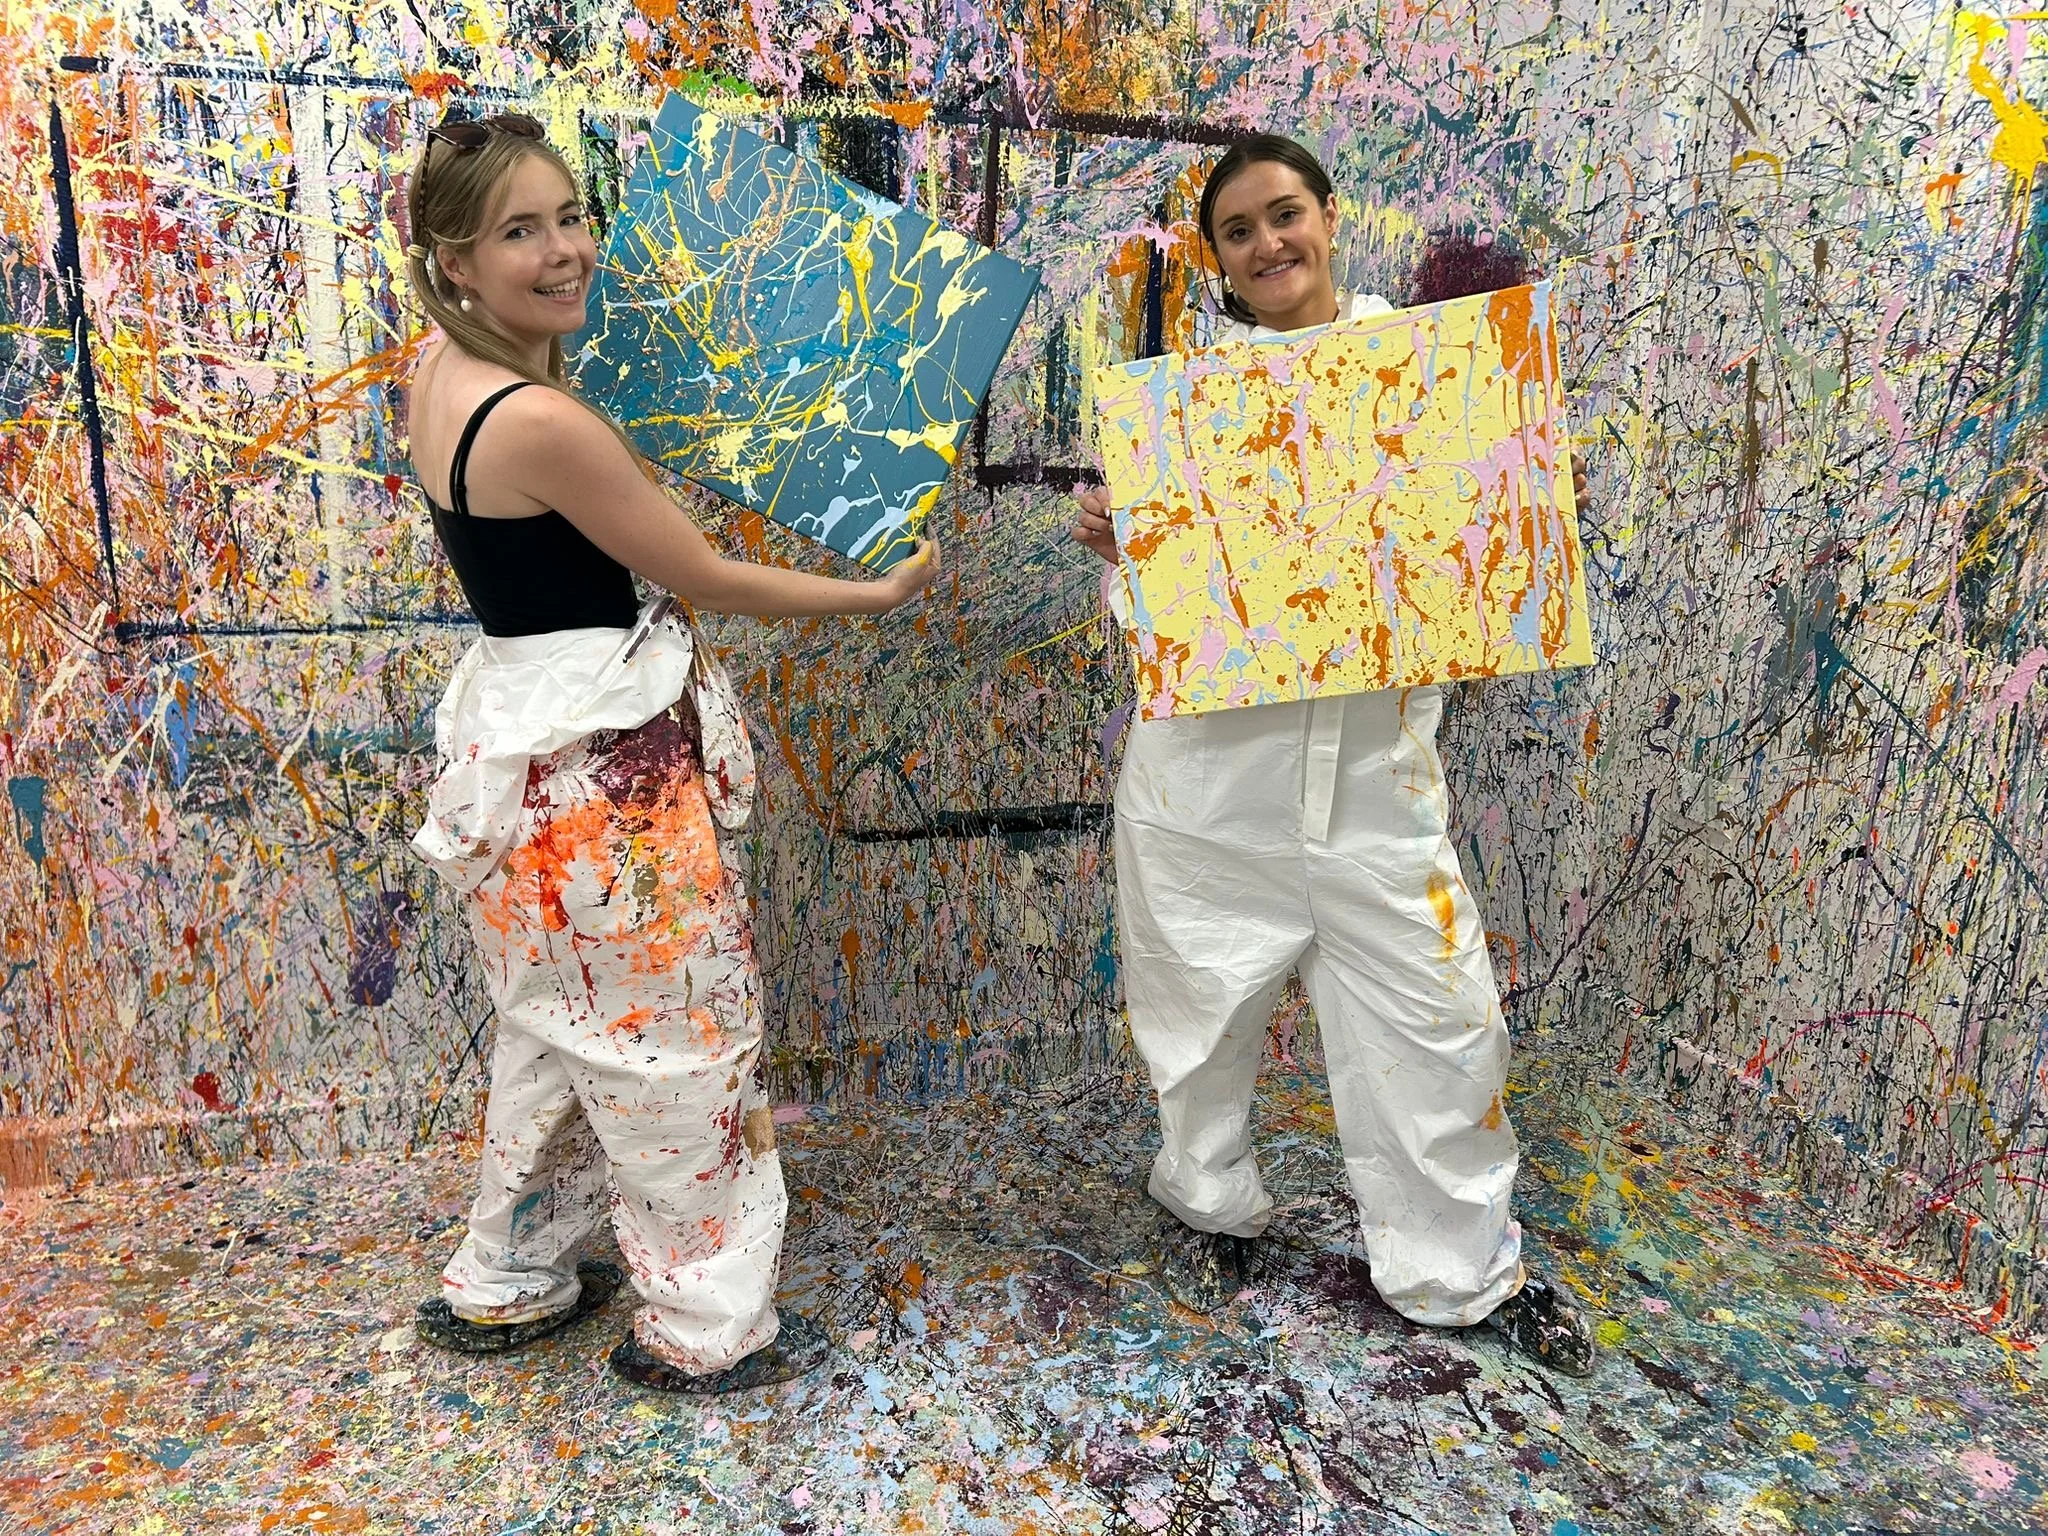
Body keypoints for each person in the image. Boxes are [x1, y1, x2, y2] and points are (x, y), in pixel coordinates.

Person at [397, 111, 938, 1392]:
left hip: (517, 748)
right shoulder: (538, 418)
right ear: (454, 261)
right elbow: (697, 573)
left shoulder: (437, 374)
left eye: (571, 215)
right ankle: (705, 1329)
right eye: (518, 231)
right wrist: (880, 593)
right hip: (596, 783)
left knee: (556, 1032)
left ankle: (509, 1275)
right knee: (680, 1044)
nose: (566, 249)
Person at [1070, 134, 1596, 1376]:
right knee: (1195, 1017)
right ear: (1217, 256)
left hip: (1374, 782)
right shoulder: (1184, 401)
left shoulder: (1427, 370)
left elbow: (1482, 570)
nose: (1267, 246)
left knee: (1435, 1027)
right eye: (1238, 231)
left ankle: (1457, 1270)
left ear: (1327, 215)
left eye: (1284, 214)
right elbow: (1162, 625)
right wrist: (1129, 547)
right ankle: (1205, 1204)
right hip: (1208, 784)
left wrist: (1507, 496)